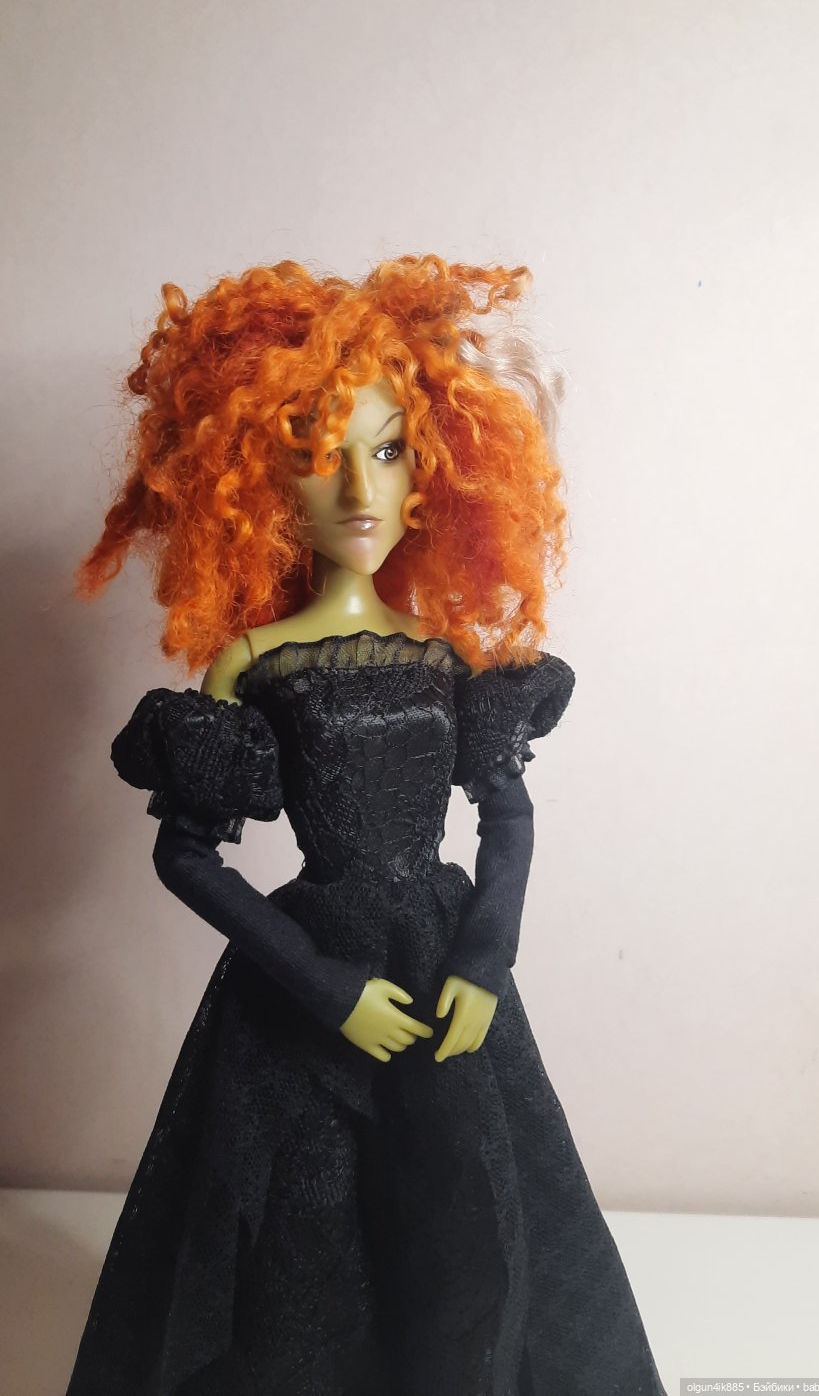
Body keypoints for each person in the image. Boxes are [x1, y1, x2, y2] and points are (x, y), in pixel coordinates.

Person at [66, 254, 667, 1393]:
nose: (358, 488)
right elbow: (185, 852)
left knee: (469, 1198)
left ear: (433, 470)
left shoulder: (452, 661)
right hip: (311, 969)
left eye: (386, 451)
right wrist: (320, 982)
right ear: (261, 479)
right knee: (304, 1212)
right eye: (318, 453)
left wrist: (483, 957)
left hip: (442, 963)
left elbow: (506, 814)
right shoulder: (253, 661)